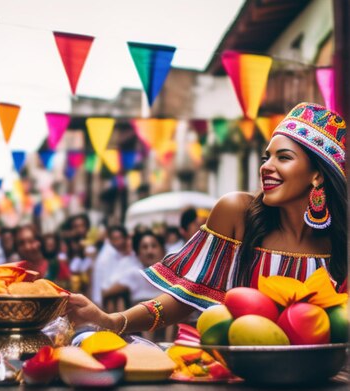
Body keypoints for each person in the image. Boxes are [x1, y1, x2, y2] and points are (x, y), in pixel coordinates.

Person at [66, 102, 347, 335]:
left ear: (318, 174)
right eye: (266, 157)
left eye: (283, 158)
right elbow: (185, 297)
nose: (267, 167)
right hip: (237, 376)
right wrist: (114, 321)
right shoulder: (237, 213)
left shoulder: (340, 242)